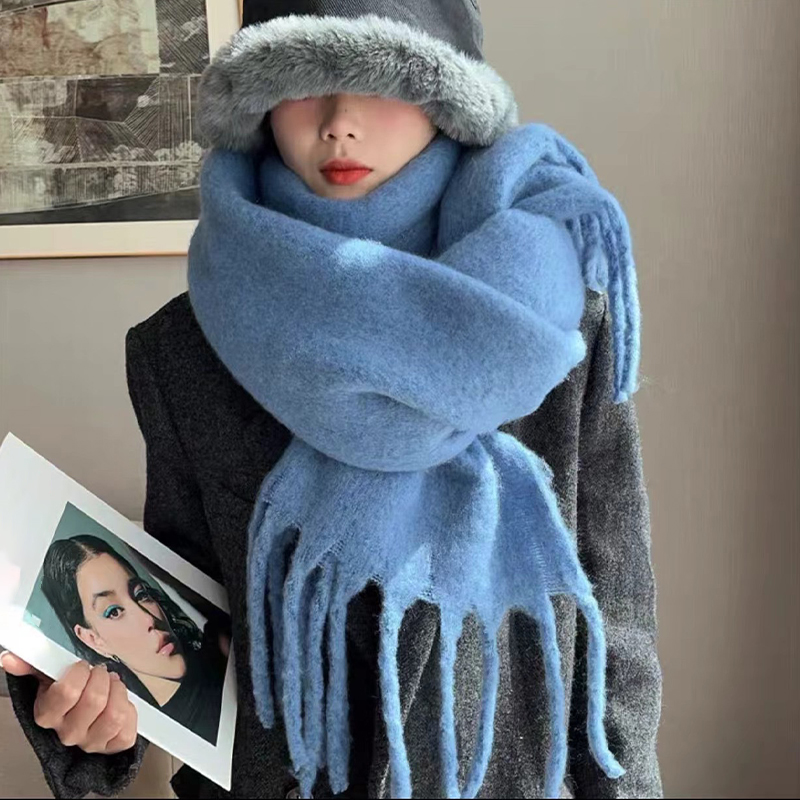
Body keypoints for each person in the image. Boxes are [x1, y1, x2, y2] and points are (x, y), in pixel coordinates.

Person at [1, 2, 663, 798]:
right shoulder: (180, 352)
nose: (341, 123)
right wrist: (96, 722)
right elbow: (189, 618)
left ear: (448, 99)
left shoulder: (553, 325)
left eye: (383, 80)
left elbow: (616, 619)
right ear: (259, 103)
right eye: (302, 81)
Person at [36, 534, 229, 745]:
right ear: (93, 639)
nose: (149, 619)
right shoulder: (134, 730)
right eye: (114, 611)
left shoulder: (221, 648)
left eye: (141, 595)